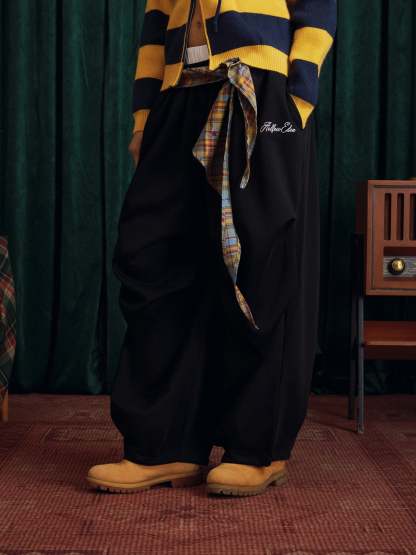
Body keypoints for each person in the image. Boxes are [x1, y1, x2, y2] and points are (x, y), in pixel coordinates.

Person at [87, 0, 337, 497]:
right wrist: (143, 119)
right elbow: (156, 24)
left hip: (262, 85)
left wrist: (296, 99)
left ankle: (258, 448)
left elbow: (317, 7)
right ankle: (166, 445)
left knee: (261, 265)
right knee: (153, 259)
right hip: (178, 94)